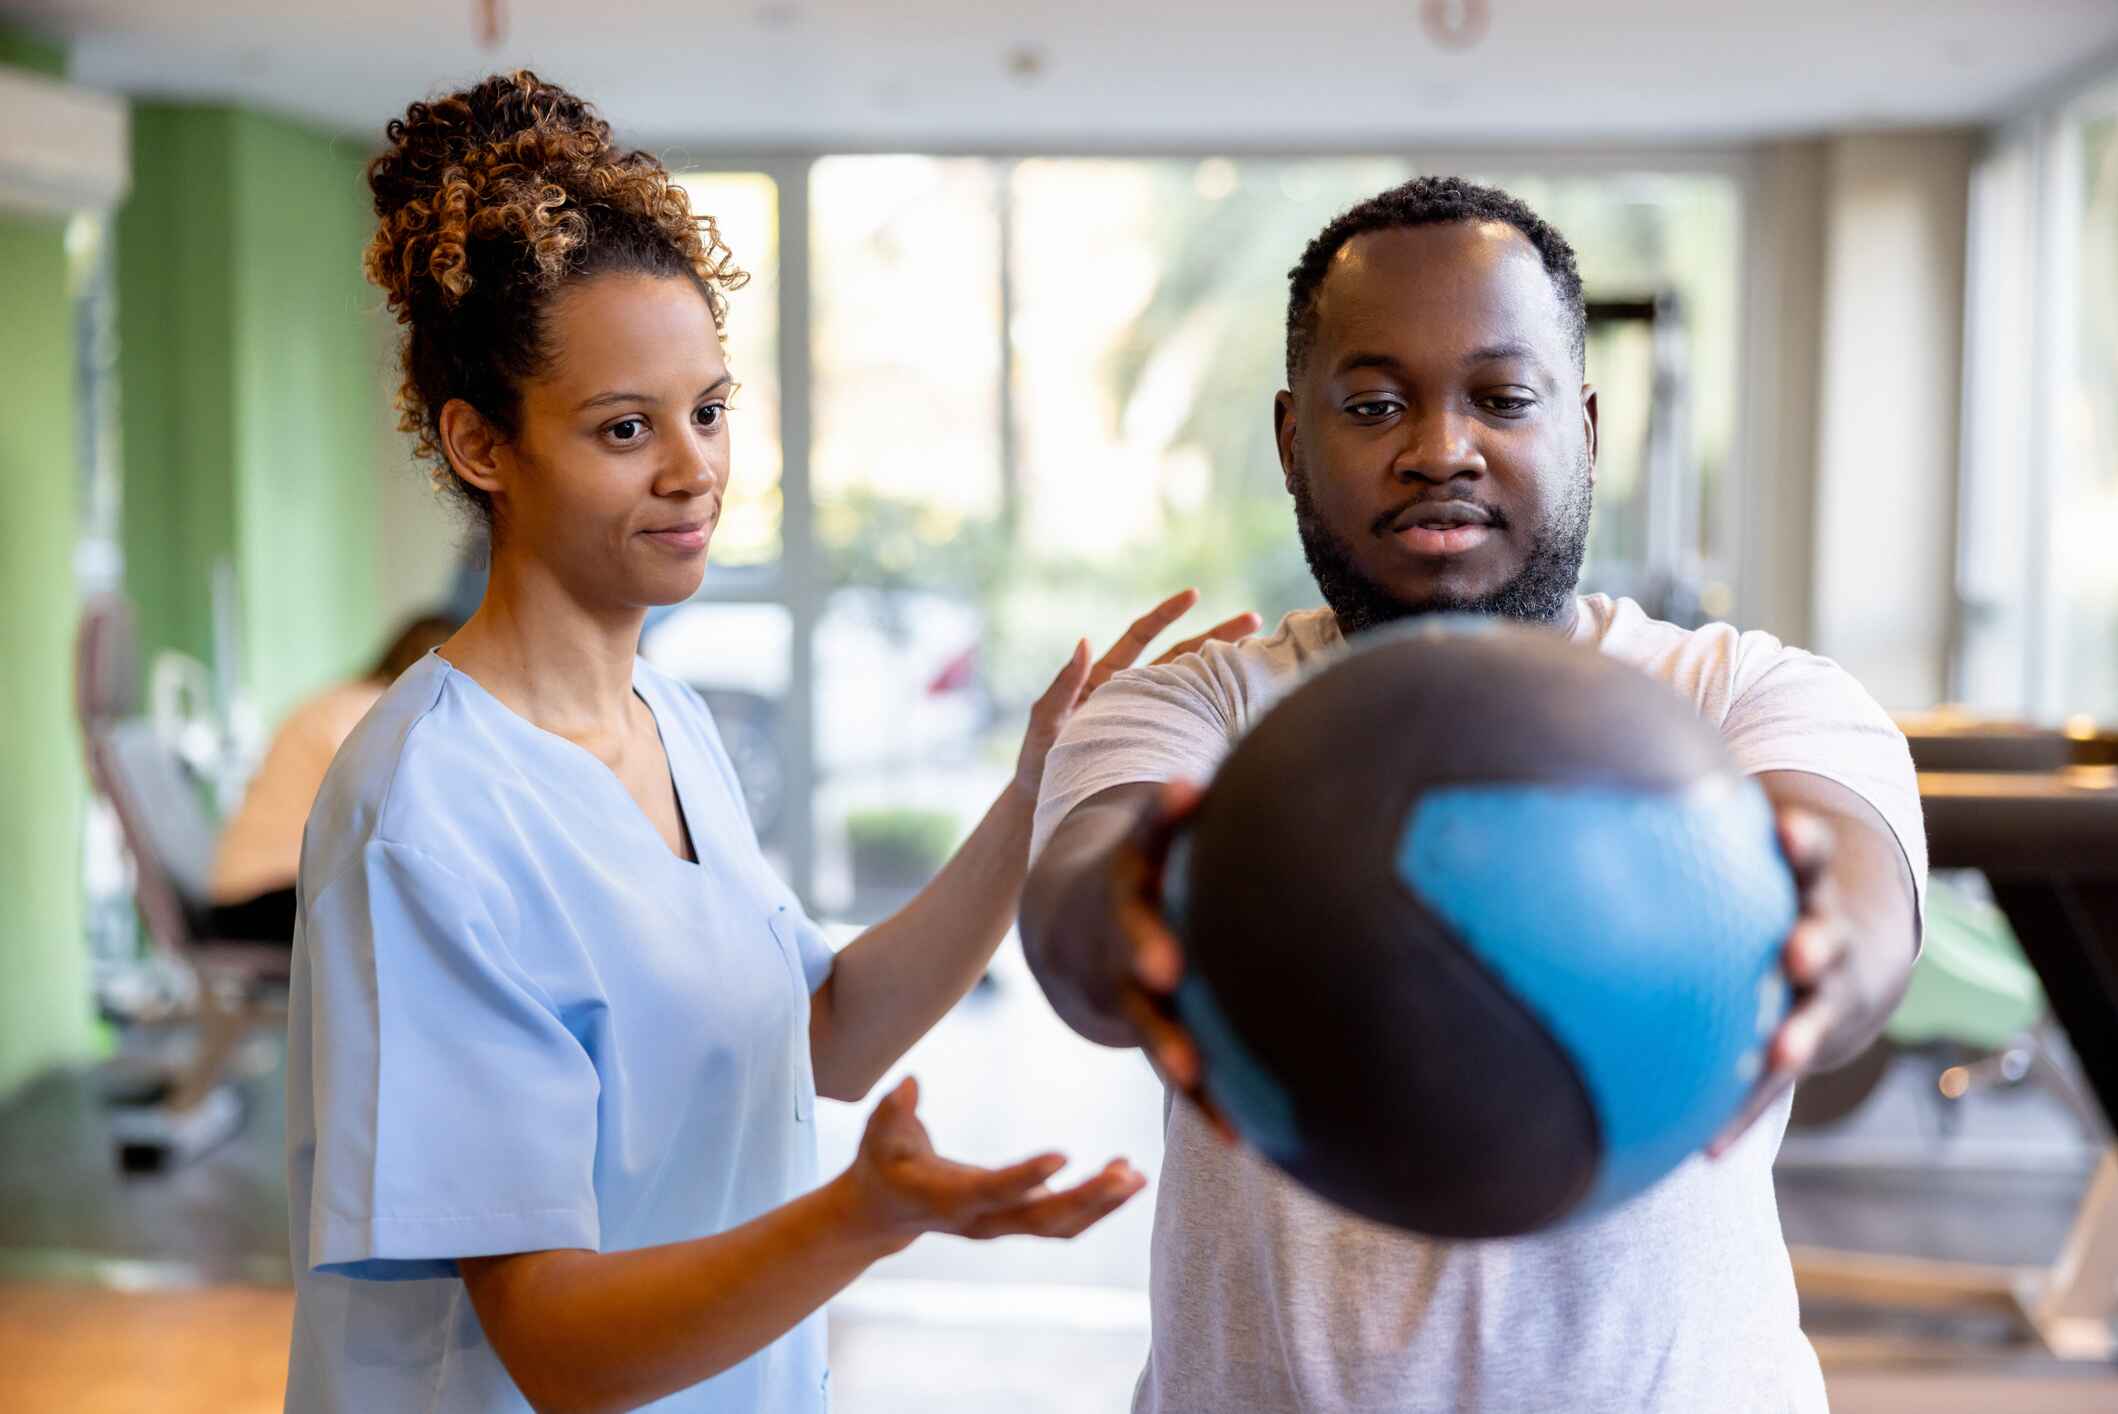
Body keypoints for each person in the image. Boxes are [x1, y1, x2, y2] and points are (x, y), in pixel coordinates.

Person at [283, 71, 1254, 1413]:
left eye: (710, 408)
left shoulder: (664, 721)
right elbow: (556, 1345)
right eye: (625, 427)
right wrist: (863, 1215)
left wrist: (1040, 786)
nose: (693, 468)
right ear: (480, 444)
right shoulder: (428, 813)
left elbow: (824, 1030)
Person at [1019, 176, 1927, 1414]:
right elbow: (1077, 898)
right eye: (1375, 402)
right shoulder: (1196, 712)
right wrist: (1126, 915)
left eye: (1500, 398)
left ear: (1587, 426)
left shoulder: (1739, 698)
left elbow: (1856, 891)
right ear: (1293, 438)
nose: (1439, 449)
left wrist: (1821, 948)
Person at [203, 612, 458, 941]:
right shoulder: (374, 713)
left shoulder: (344, 701)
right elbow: (401, 810)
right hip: (262, 899)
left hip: (250, 894)